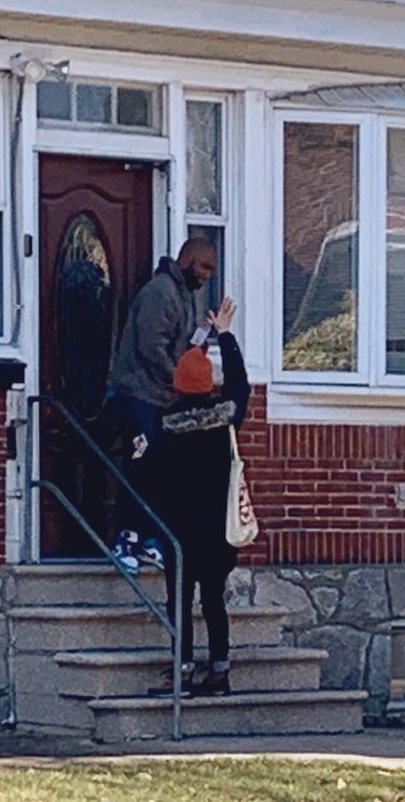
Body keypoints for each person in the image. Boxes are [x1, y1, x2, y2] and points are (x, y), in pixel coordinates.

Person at [149, 296, 250, 697]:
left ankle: (183, 670)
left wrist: (199, 340)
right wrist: (223, 335)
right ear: (210, 384)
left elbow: (153, 475)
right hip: (218, 529)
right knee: (213, 600)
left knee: (179, 601)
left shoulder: (166, 424)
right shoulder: (225, 418)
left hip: (180, 530)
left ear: (177, 385)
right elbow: (240, 384)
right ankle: (220, 670)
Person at [107, 237, 219, 572]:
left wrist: (202, 335)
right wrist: (181, 380)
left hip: (159, 400)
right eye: (204, 266)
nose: (207, 276)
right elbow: (151, 347)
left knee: (159, 468)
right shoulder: (160, 292)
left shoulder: (184, 296)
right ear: (187, 258)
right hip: (137, 396)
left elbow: (182, 346)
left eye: (211, 270)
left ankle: (149, 538)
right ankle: (125, 539)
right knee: (140, 463)